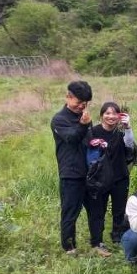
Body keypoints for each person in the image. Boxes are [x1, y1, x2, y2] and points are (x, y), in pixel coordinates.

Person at [85, 102, 135, 254]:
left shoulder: (121, 132)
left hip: (120, 176)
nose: (111, 117)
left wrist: (128, 128)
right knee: (98, 210)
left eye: (114, 113)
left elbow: (130, 147)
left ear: (119, 116)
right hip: (99, 178)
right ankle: (97, 240)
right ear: (101, 115)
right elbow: (87, 153)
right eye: (107, 113)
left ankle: (117, 236)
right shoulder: (93, 131)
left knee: (119, 209)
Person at [51, 80, 94, 255]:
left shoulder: (84, 116)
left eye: (85, 104)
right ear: (68, 97)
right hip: (71, 173)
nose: (81, 107)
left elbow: (88, 141)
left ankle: (97, 242)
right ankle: (69, 247)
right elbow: (72, 138)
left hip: (90, 172)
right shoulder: (59, 120)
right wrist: (83, 125)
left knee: (95, 209)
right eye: (78, 102)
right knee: (70, 211)